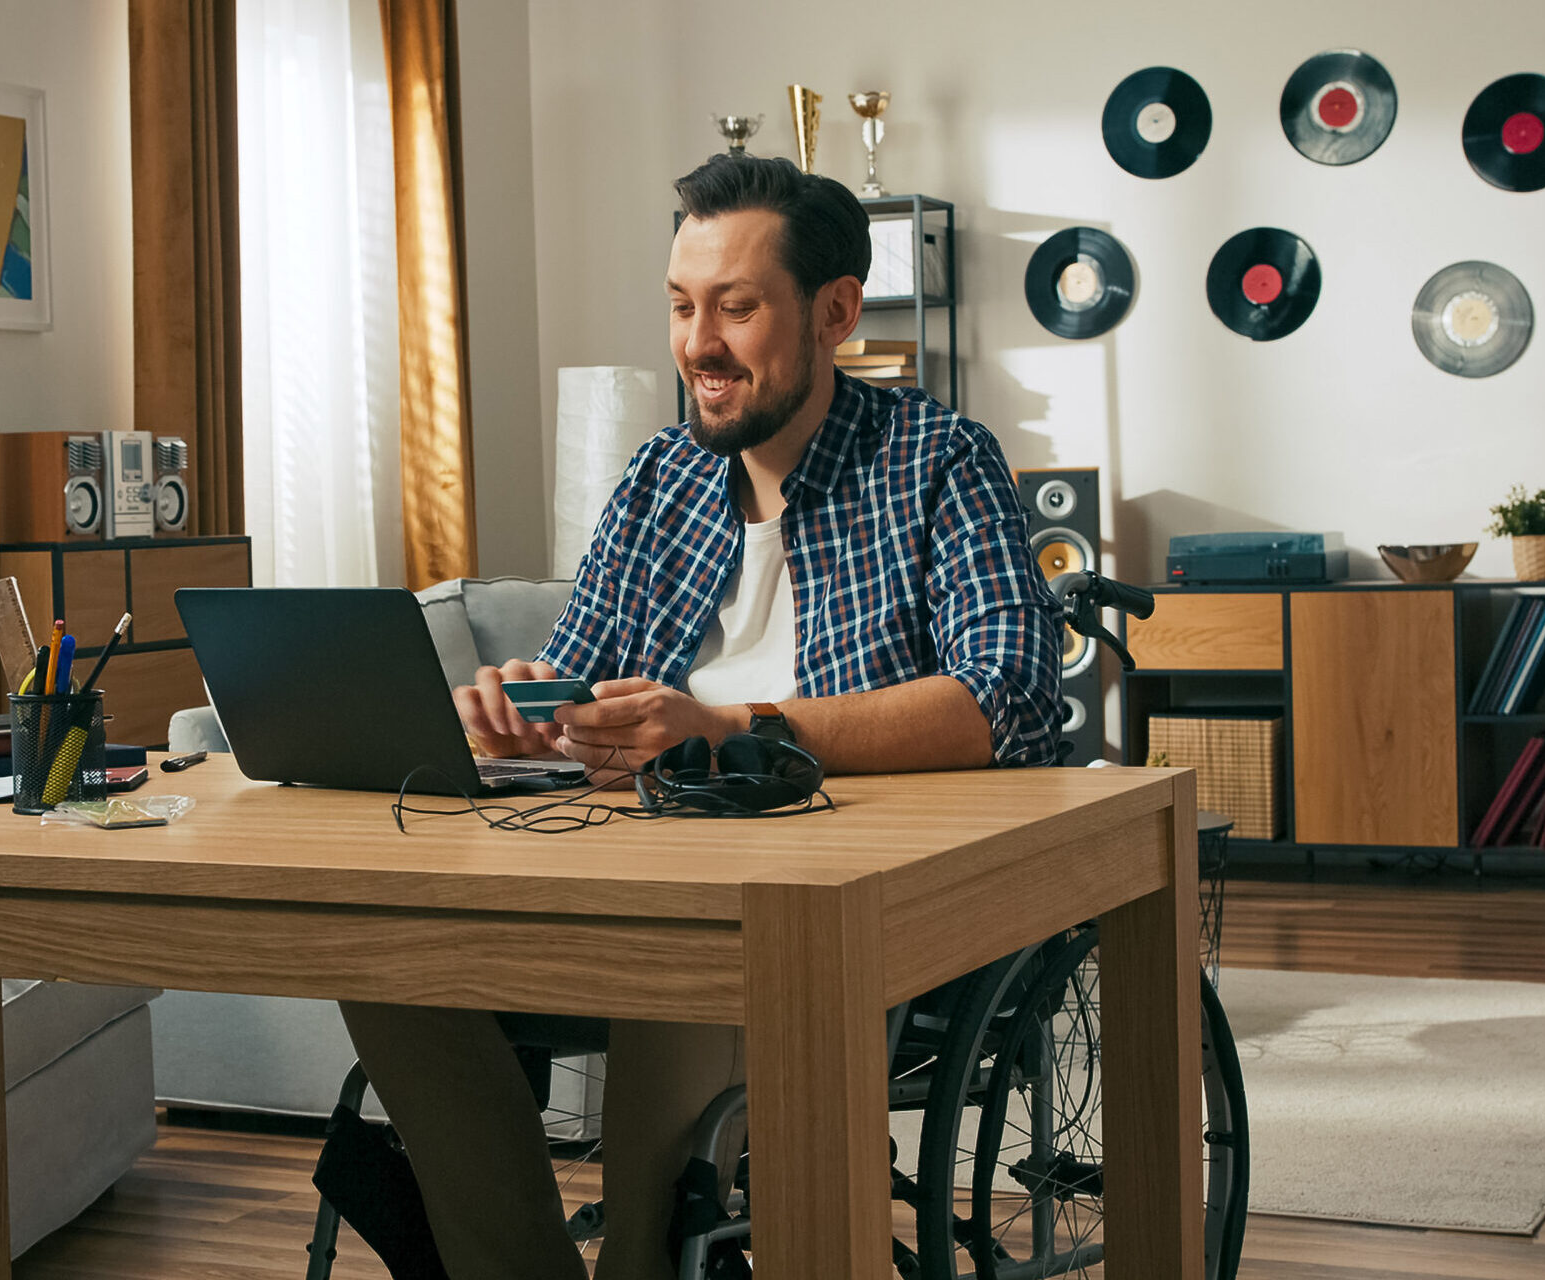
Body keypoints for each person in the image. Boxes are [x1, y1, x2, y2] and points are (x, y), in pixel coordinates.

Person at [337, 153, 1063, 1280]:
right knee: (379, 950)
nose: (699, 344)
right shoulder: (657, 481)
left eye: (736, 307)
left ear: (834, 313)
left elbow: (1005, 699)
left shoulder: (937, 459)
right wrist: (525, 706)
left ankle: (643, 1261)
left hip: (846, 914)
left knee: (686, 950)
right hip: (630, 881)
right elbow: (576, 675)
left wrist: (731, 731)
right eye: (682, 306)